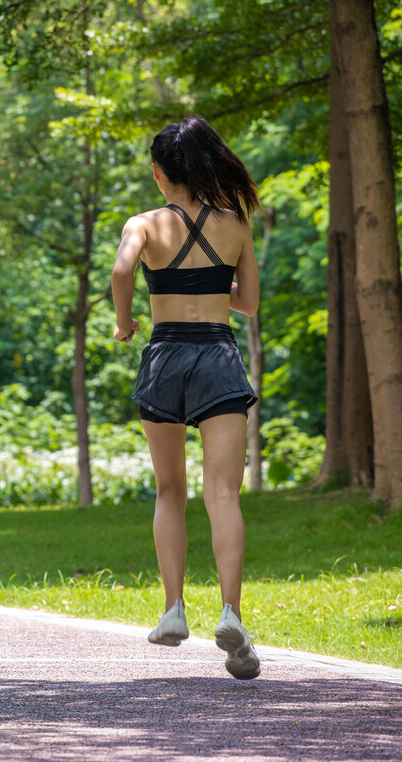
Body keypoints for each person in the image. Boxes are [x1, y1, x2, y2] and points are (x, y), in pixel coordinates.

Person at [110, 115, 262, 680]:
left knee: (168, 489)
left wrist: (126, 321)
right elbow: (247, 302)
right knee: (222, 491)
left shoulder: (143, 224)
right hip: (217, 357)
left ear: (158, 173)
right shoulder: (234, 225)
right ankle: (232, 613)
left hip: (166, 355)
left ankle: (173, 610)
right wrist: (212, 283)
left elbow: (122, 270)